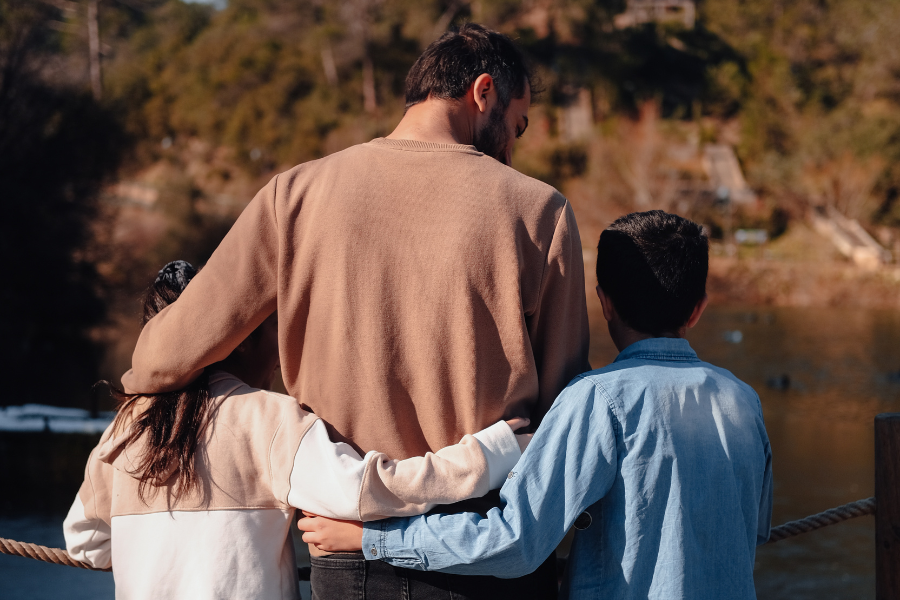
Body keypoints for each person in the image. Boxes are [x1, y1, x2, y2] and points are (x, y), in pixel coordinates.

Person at [120, 23, 590, 598]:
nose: (512, 148)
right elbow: (565, 415)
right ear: (483, 92)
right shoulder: (540, 211)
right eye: (516, 126)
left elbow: (163, 356)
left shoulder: (293, 196)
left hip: (345, 546)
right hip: (487, 551)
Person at [299, 211, 775, 600]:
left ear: (604, 303)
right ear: (698, 309)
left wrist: (372, 540)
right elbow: (754, 530)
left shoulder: (599, 399)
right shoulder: (743, 402)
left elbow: (515, 542)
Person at [63, 261, 530, 600]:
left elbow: (84, 543)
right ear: (236, 335)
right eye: (271, 327)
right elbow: (370, 490)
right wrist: (492, 453)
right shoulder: (266, 418)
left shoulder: (123, 433)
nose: (282, 346)